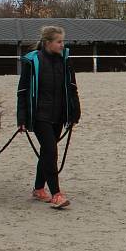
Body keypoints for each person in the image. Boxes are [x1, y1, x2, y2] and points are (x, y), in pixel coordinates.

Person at [17, 26, 81, 209]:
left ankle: (38, 189)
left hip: (59, 114)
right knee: (51, 151)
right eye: (59, 42)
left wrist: (75, 112)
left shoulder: (65, 62)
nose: (62, 45)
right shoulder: (33, 62)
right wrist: (21, 119)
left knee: (47, 152)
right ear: (48, 43)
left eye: (63, 41)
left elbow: (72, 88)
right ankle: (56, 194)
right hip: (40, 116)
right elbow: (22, 91)